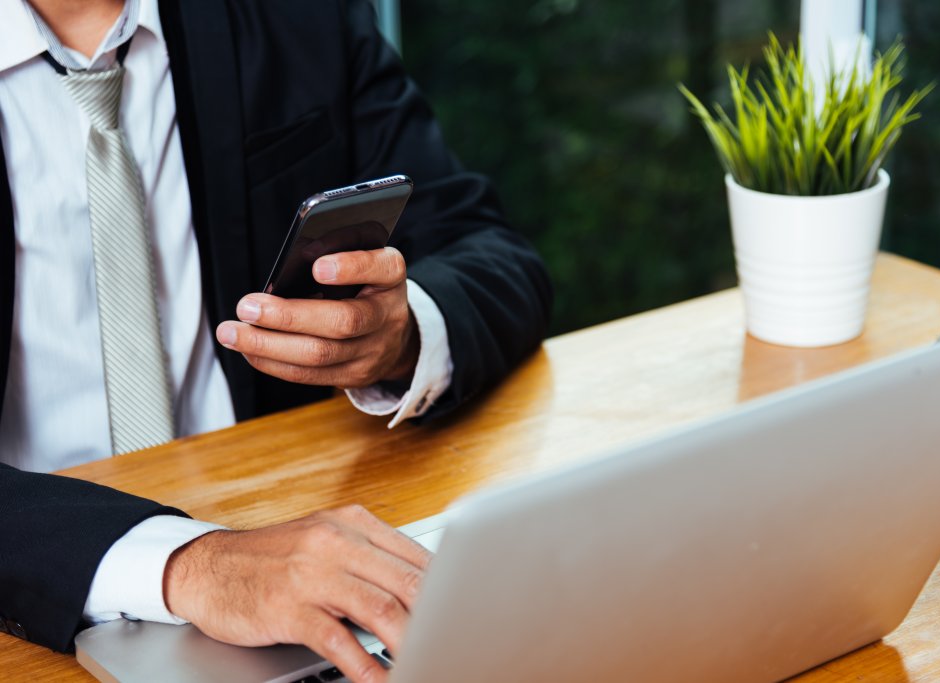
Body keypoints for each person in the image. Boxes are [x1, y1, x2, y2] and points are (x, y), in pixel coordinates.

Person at [0, 0, 552, 680]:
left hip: (299, 533)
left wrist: (403, 333)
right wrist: (187, 560)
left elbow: (487, 249)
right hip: (31, 592)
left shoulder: (300, 14)